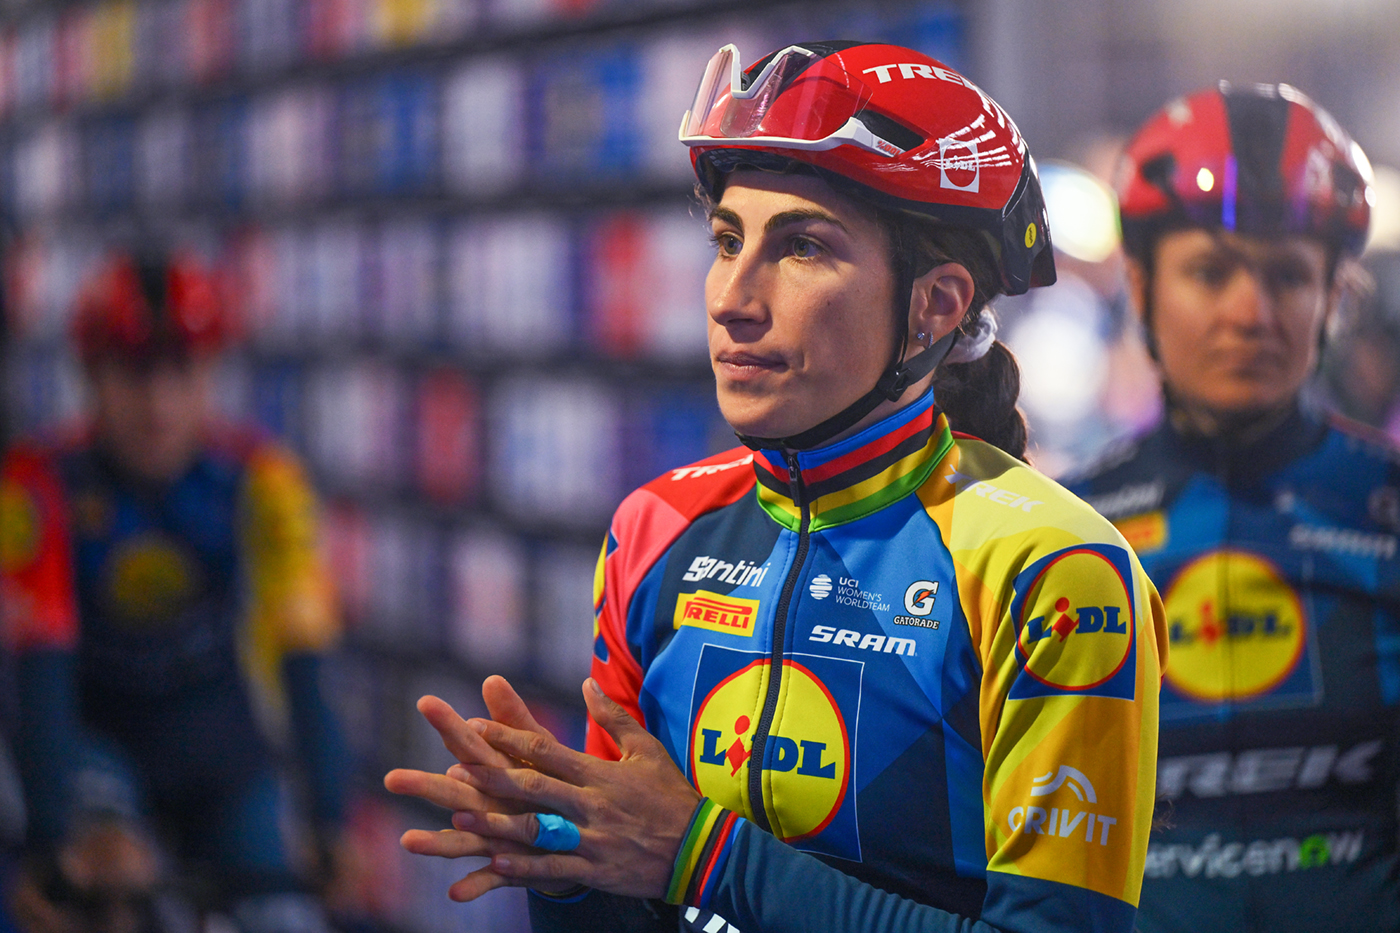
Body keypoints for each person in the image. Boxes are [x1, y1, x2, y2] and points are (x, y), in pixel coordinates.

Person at [387, 42, 1168, 933]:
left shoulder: (1055, 569)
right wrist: (563, 861)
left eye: (800, 246)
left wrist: (702, 855)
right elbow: (633, 894)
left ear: (937, 305)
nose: (731, 297)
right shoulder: (658, 526)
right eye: (727, 240)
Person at [1066, 83, 1397, 932]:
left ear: (1335, 296)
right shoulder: (1070, 531)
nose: (1250, 314)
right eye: (1210, 272)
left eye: (1288, 275)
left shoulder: (1387, 506)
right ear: (1139, 286)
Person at [0, 251, 349, 932]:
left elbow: (304, 656)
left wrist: (328, 821)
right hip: (90, 742)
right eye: (132, 372)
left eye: (181, 371)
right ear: (92, 375)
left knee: (286, 913)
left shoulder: (263, 480)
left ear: (211, 371)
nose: (158, 403)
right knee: (106, 887)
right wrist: (49, 845)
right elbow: (38, 670)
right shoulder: (37, 484)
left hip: (218, 748)